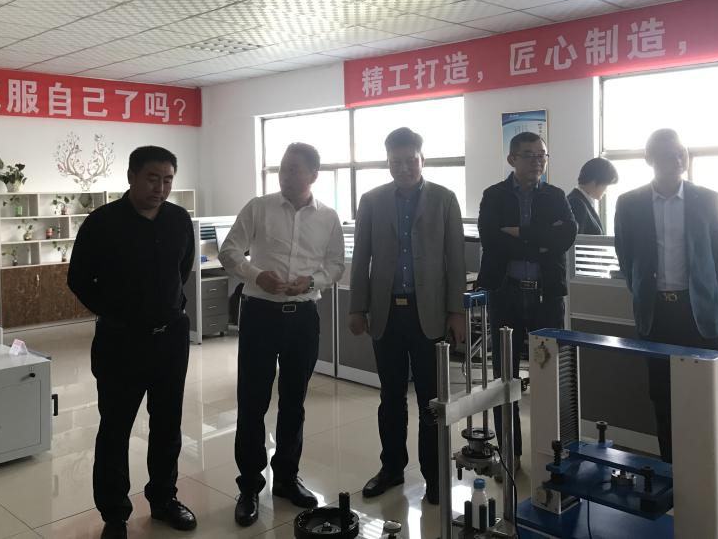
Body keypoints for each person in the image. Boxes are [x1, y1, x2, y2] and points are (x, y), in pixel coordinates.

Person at [613, 128, 718, 537]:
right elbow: (627, 258)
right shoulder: (629, 203)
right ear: (649, 159)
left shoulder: (707, 199)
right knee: (665, 403)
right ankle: (677, 483)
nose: (677, 159)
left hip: (700, 317)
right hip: (656, 316)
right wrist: (649, 295)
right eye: (667, 153)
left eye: (680, 152)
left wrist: (702, 295)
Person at [67, 146, 197, 539]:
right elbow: (79, 278)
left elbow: (183, 268)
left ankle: (164, 499)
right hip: (121, 343)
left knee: (167, 424)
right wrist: (116, 313)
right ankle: (114, 515)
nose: (161, 188)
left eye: (168, 180)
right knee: (116, 428)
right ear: (132, 177)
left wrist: (167, 308)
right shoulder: (103, 222)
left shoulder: (178, 219)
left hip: (170, 340)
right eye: (153, 178)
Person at [219, 143, 345, 527]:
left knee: (294, 401)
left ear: (313, 174)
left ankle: (287, 478)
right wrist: (257, 275)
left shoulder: (328, 217)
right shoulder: (258, 208)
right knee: (252, 401)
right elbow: (229, 251)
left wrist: (313, 280)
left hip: (303, 317)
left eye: (294, 169)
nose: (286, 175)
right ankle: (249, 486)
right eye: (283, 168)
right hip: (260, 314)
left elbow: (335, 265)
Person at [348, 127, 466, 505]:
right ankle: (392, 468)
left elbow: (456, 260)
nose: (403, 167)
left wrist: (456, 311)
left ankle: (434, 476)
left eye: (410, 160)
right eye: (396, 161)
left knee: (431, 400)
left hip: (428, 313)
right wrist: (357, 306)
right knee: (391, 397)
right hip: (386, 314)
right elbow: (361, 257)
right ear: (388, 162)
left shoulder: (444, 199)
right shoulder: (372, 200)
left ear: (421, 159)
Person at [477, 132, 577, 475]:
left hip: (545, 297)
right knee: (504, 378)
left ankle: (551, 453)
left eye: (542, 155)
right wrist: (540, 240)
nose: (537, 161)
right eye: (529, 155)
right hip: (505, 294)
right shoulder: (494, 195)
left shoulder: (555, 195)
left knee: (549, 376)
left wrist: (520, 233)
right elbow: (491, 239)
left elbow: (566, 236)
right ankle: (510, 452)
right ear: (512, 159)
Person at [568, 157, 618, 235]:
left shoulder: (582, 201)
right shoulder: (576, 203)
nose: (606, 191)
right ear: (594, 181)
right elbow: (578, 240)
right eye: (606, 185)